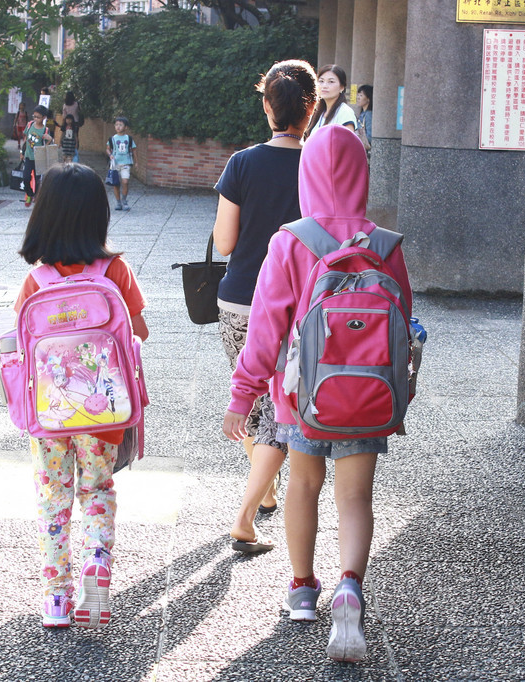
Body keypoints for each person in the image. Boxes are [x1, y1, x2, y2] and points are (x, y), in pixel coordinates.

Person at [222, 125, 412, 662]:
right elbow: (403, 324)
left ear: (306, 176)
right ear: (361, 175)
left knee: (304, 486)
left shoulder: (291, 241)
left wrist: (242, 395)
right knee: (355, 497)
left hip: (301, 396)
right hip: (369, 395)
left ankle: (303, 590)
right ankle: (349, 585)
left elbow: (264, 331)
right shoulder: (385, 244)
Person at [14, 162, 149, 629]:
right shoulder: (115, 270)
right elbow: (139, 332)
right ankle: (97, 560)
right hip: (104, 410)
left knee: (53, 497)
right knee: (97, 488)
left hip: (49, 414)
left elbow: (20, 346)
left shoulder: (36, 282)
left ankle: (56, 599)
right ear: (98, 215)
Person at [212, 59, 317, 554]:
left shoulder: (242, 163)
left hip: (240, 299)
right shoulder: (319, 165)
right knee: (280, 411)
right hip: (300, 306)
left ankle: (261, 496)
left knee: (252, 402)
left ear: (267, 107)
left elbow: (225, 242)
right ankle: (249, 513)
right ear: (311, 109)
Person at [304, 65, 357, 139]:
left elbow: (347, 143)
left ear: (342, 87)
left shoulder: (345, 112)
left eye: (331, 82)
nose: (324, 86)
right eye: (321, 81)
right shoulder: (318, 112)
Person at [21, 105, 54, 208]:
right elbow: (25, 139)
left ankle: (36, 197)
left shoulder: (45, 130)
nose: (35, 119)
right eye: (34, 116)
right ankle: (29, 193)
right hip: (28, 156)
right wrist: (22, 152)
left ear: (44, 117)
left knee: (38, 180)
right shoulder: (30, 124)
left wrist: (50, 139)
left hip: (39, 159)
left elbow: (46, 147)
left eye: (38, 117)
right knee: (26, 177)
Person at [107, 117, 136, 211]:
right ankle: (118, 202)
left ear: (125, 127)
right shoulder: (112, 138)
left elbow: (134, 150)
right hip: (115, 164)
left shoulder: (129, 138)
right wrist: (110, 155)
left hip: (126, 163)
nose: (118, 127)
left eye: (120, 125)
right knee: (116, 183)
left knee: (125, 181)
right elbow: (108, 149)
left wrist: (136, 162)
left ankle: (124, 201)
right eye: (116, 125)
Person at [61, 91, 82, 161]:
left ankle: (66, 151)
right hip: (75, 122)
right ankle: (75, 150)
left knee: (67, 137)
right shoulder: (76, 104)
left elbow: (64, 116)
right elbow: (79, 112)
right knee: (75, 136)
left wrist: (64, 123)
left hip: (67, 123)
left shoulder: (65, 105)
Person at [356, 84, 373, 154]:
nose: (358, 98)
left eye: (361, 95)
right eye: (358, 95)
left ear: (368, 99)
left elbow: (370, 136)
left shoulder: (368, 114)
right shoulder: (362, 114)